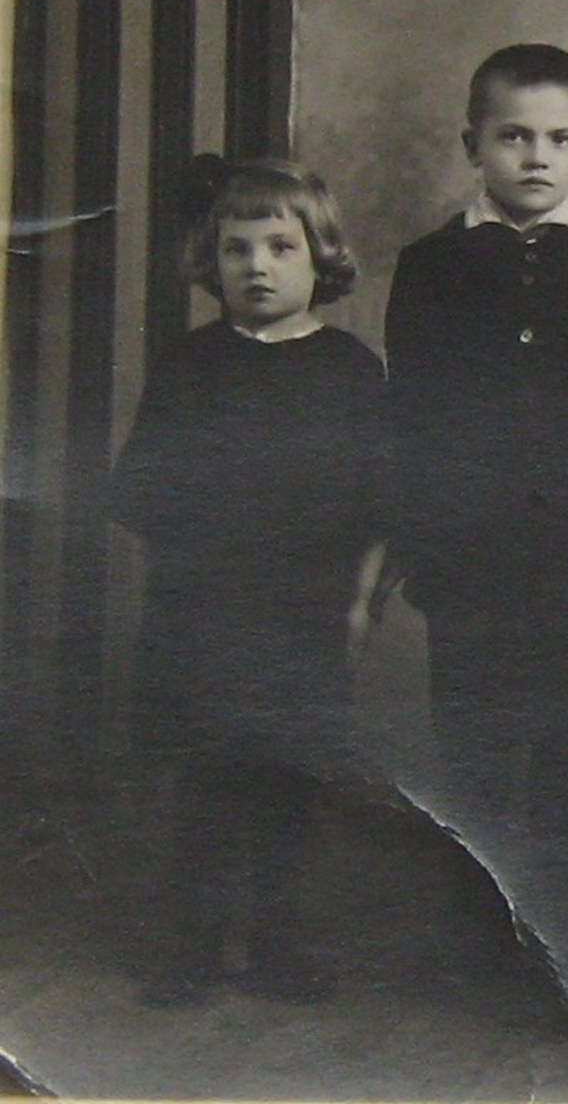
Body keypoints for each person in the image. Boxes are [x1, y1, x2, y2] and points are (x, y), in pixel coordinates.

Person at [111, 158, 389, 1007]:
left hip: (304, 619)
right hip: (201, 617)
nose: (257, 267)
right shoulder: (192, 365)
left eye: (279, 247)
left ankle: (276, 944)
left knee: (288, 788)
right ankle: (194, 945)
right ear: (212, 261)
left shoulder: (349, 370)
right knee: (203, 787)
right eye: (237, 250)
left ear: (320, 257)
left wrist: (358, 606)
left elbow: (378, 506)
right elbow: (146, 495)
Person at [384, 43, 568, 840]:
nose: (537, 157)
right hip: (470, 550)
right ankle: (477, 896)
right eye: (514, 136)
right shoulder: (431, 267)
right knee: (470, 735)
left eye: (560, 139)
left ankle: (553, 900)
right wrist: (420, 537)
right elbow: (411, 413)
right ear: (472, 144)